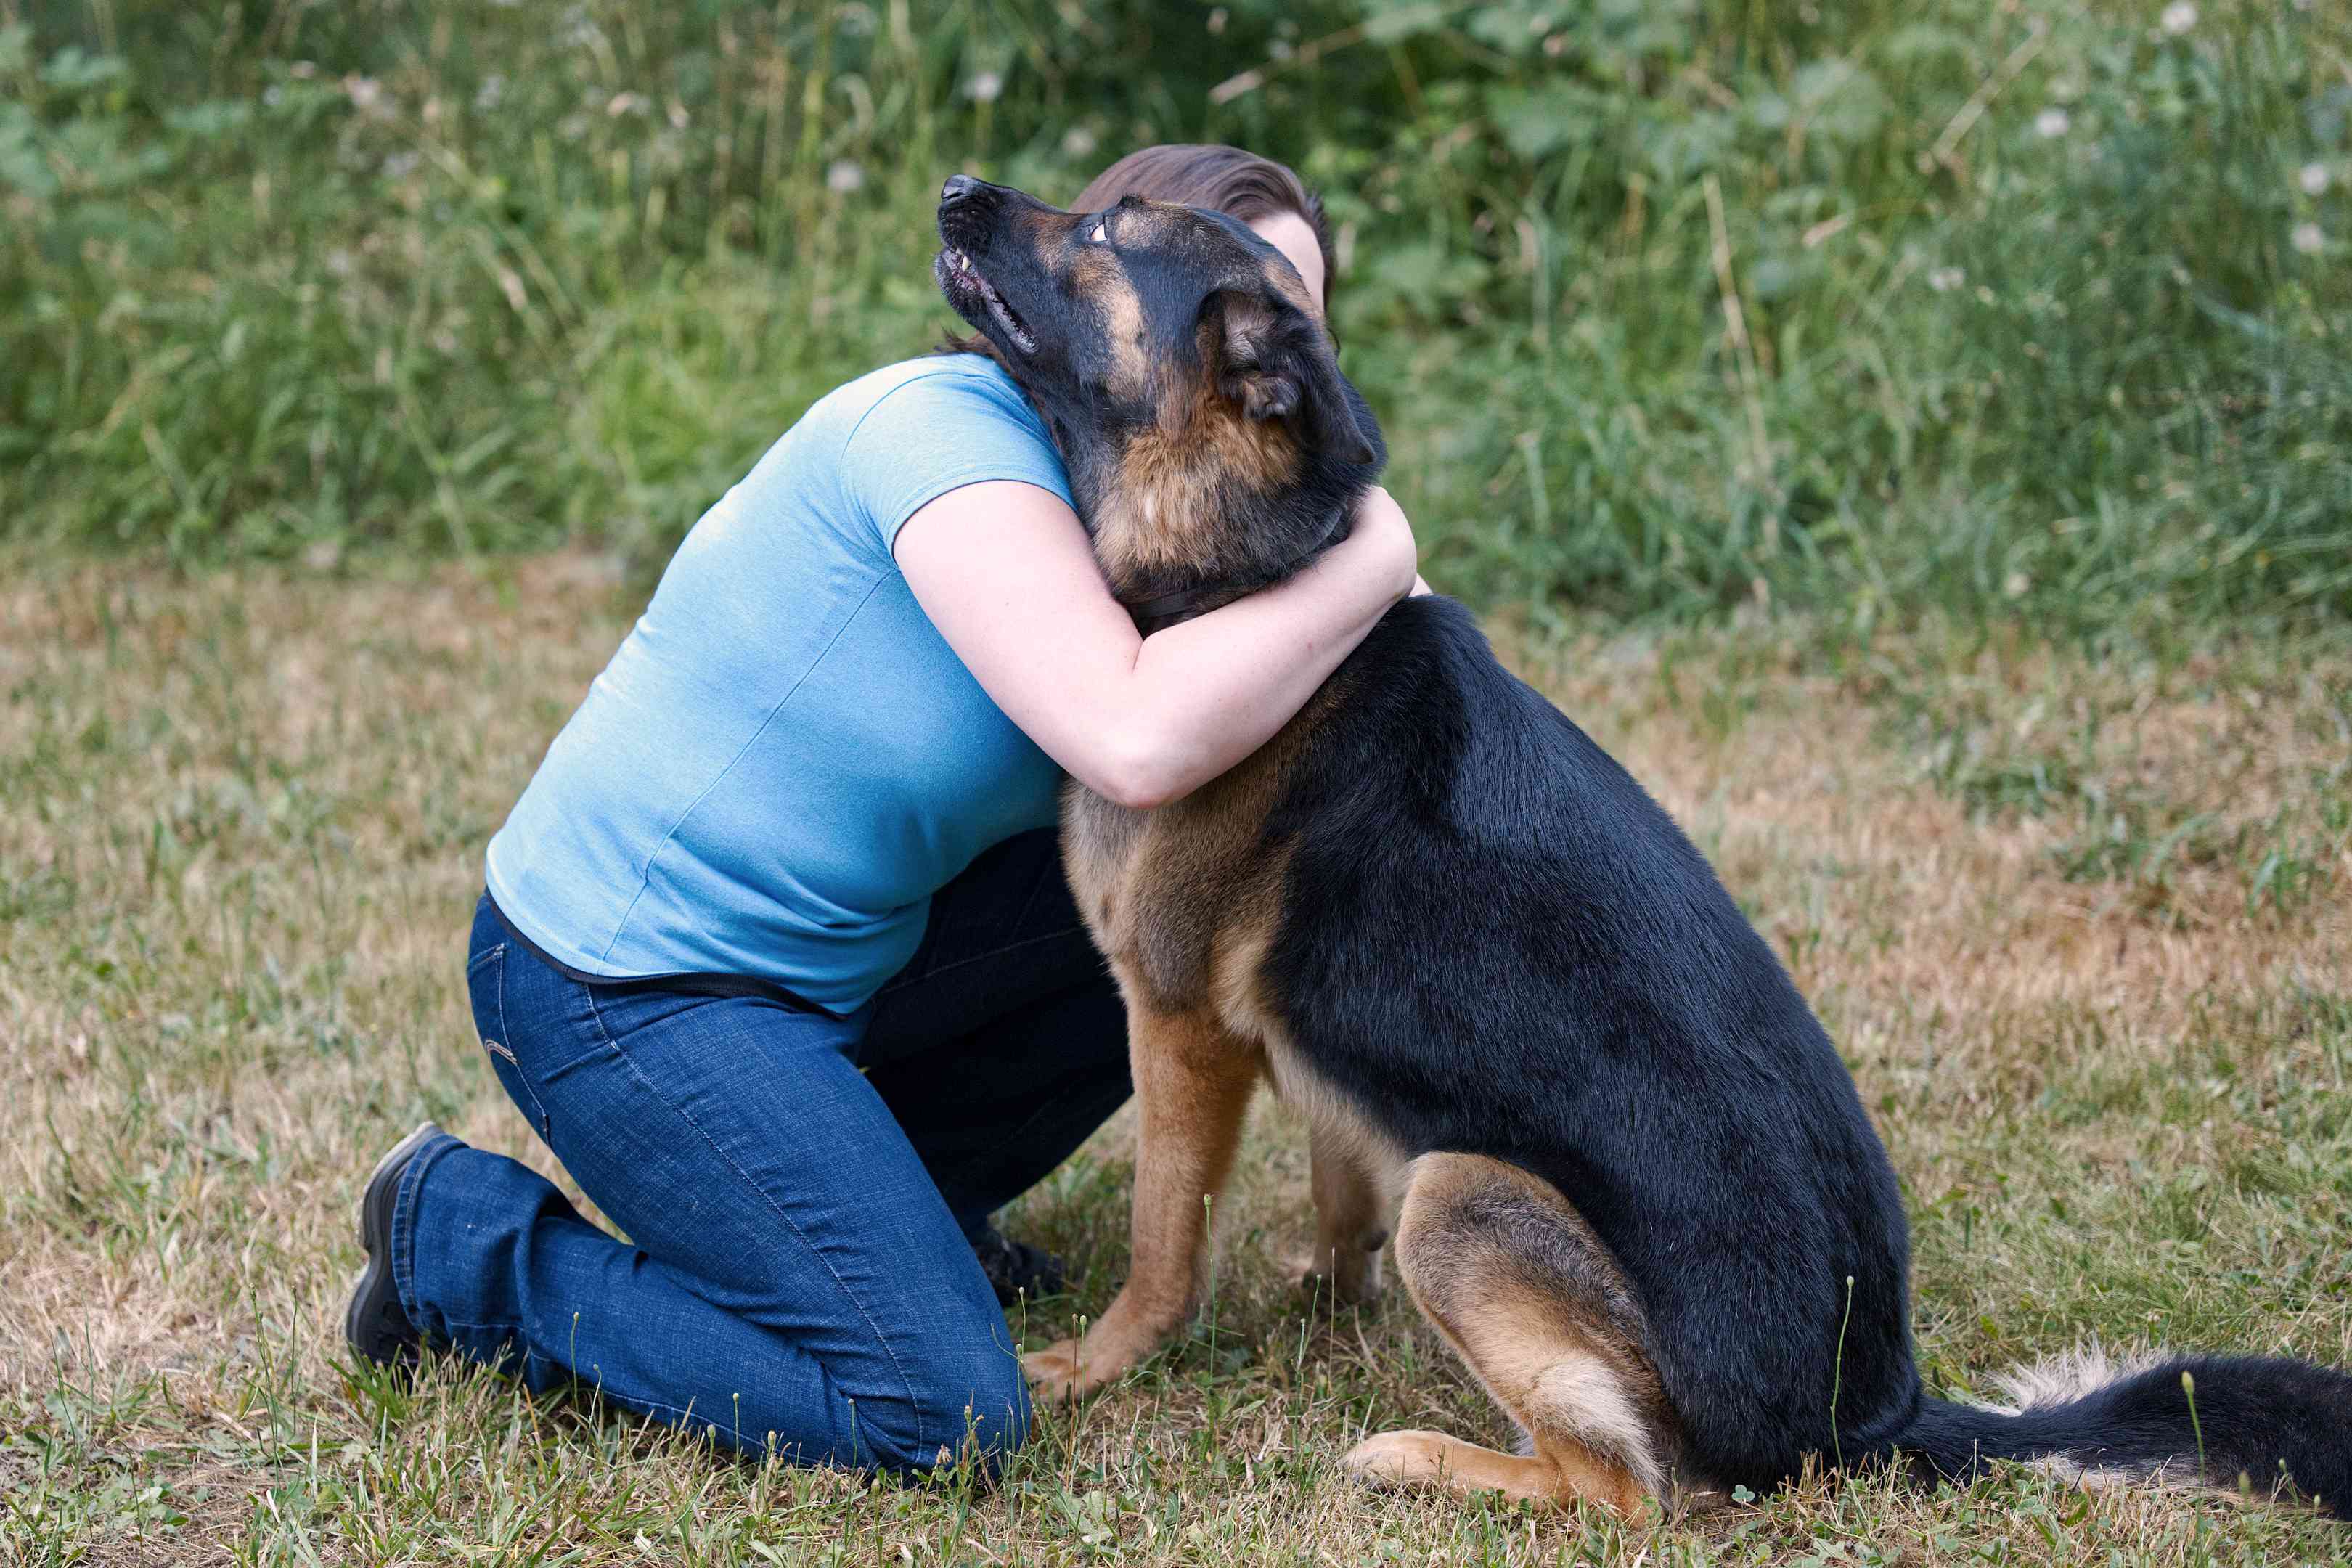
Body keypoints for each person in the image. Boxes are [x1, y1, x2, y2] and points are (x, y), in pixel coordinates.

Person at [342, 144, 1423, 1475]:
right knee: (938, 1408)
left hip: (843, 975)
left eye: (1290, 337)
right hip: (627, 985)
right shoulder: (946, 439)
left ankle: (895, 1207)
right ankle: (459, 1244)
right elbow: (1136, 737)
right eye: (1238, 309)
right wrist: (1379, 547)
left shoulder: (1172, 538)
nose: (1262, 362)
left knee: (1181, 916)